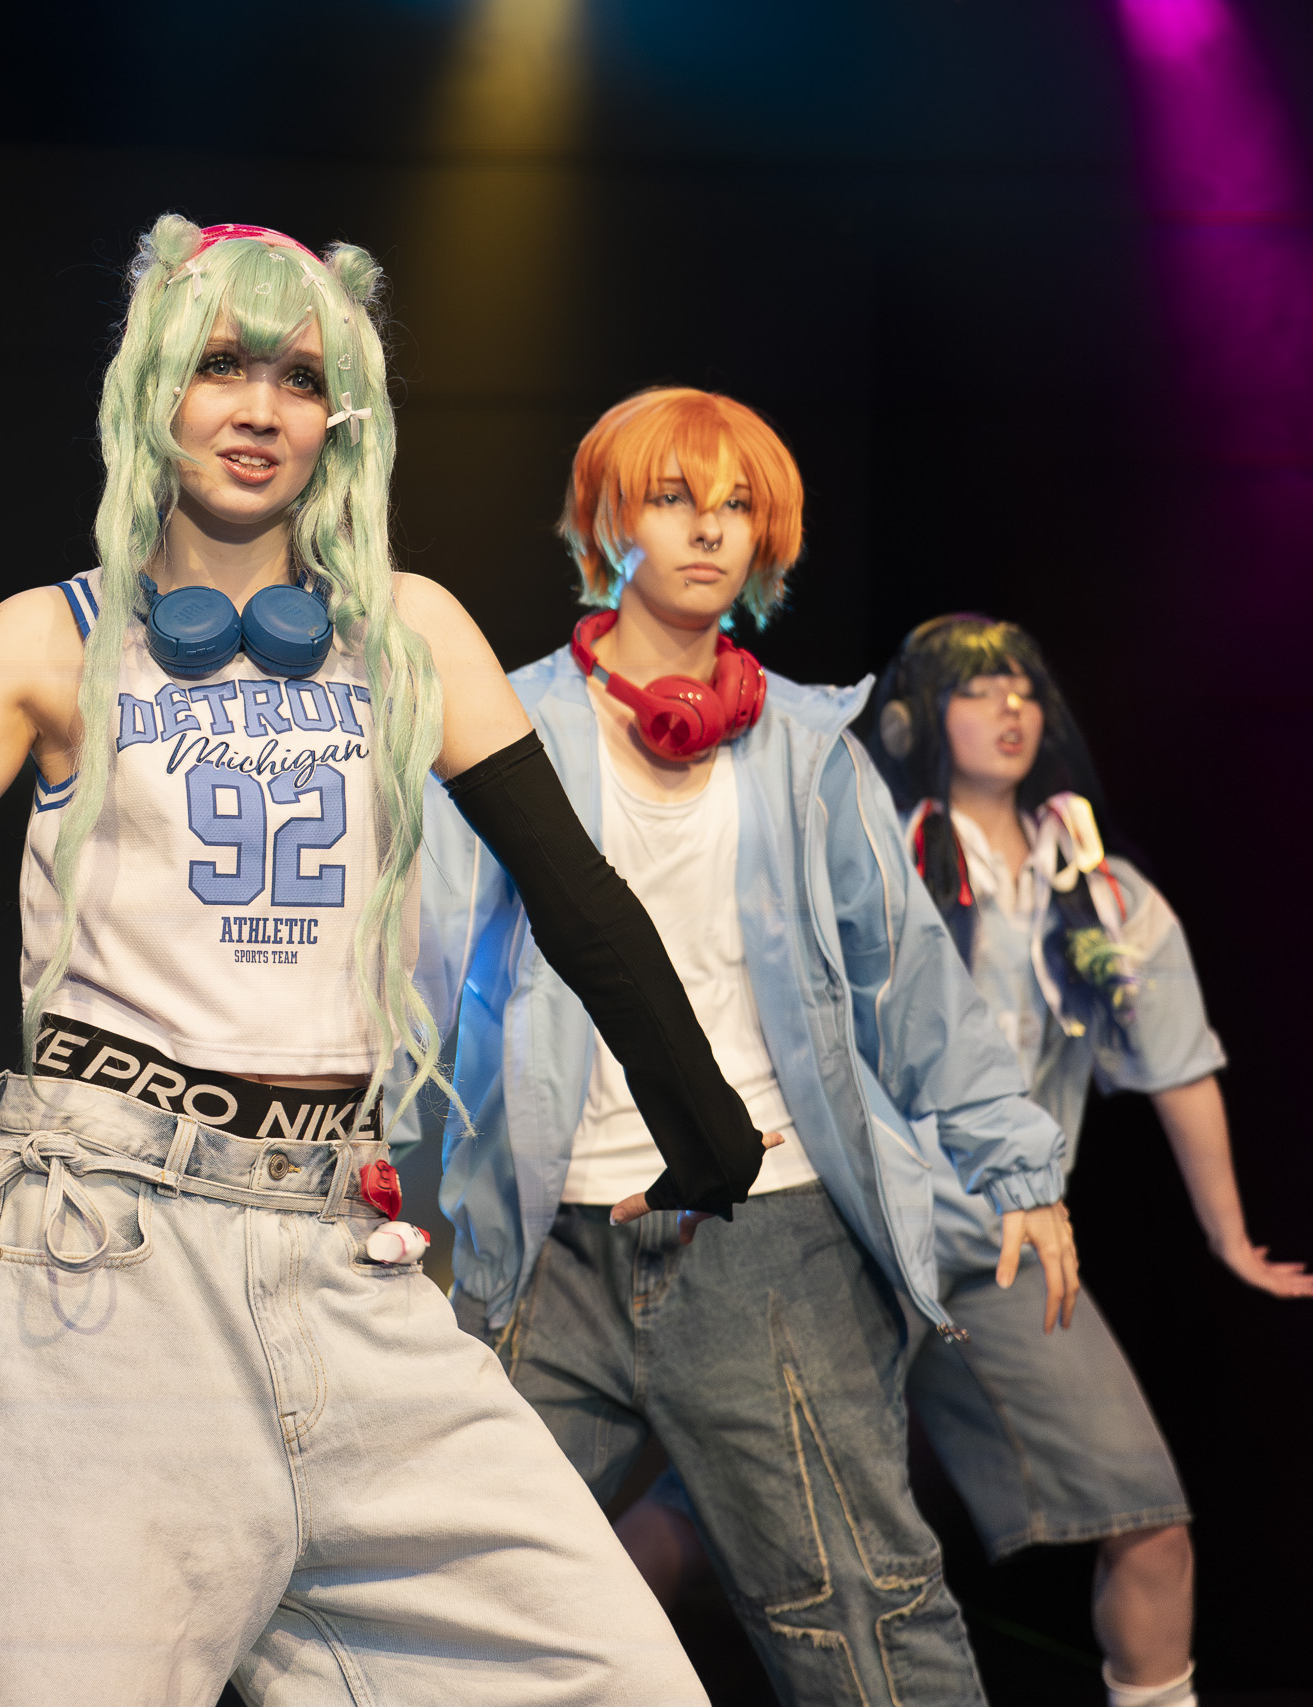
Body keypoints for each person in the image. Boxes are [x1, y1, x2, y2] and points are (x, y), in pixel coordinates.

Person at [0, 218, 796, 1705]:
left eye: (300, 378)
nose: (259, 407)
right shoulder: (47, 640)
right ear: (152, 391)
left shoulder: (414, 633)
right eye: (219, 366)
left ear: (341, 418)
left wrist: (701, 1109)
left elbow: (575, 894)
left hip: (348, 1263)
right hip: (101, 1266)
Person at [411, 388, 1081, 1706]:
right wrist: (365, 1174)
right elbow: (417, 970)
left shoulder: (806, 746)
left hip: (769, 1238)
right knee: (444, 1610)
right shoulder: (506, 722)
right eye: (674, 499)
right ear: (608, 521)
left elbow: (905, 976)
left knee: (864, 1621)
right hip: (548, 1244)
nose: (709, 530)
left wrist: (1016, 1162)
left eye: (736, 507)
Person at [621, 615, 1313, 1707]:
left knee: (1147, 1518)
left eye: (1025, 690)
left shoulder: (1101, 893)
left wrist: (1228, 1235)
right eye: (978, 689)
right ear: (914, 720)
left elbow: (1178, 1063)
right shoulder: (866, 854)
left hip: (998, 1247)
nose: (1010, 708)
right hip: (840, 1239)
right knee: (702, 1522)